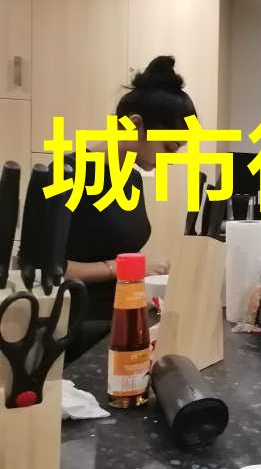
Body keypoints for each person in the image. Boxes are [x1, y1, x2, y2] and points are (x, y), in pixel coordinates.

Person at [62, 56, 195, 362]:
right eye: (168, 147)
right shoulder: (67, 172)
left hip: (124, 317)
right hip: (77, 328)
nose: (170, 159)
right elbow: (47, 268)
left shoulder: (132, 179)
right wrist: (124, 267)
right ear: (135, 125)